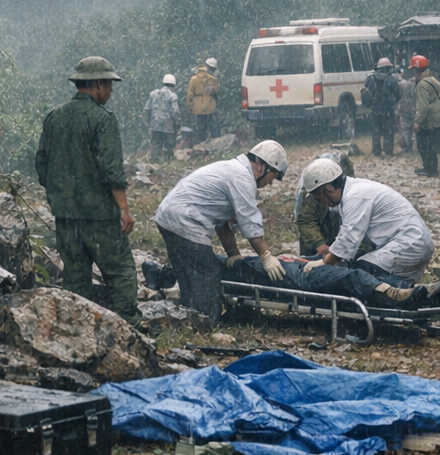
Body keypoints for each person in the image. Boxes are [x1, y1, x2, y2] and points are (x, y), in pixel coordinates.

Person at [35, 56, 139, 321]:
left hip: (66, 217)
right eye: (110, 86)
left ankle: (77, 328)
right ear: (99, 85)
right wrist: (124, 209)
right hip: (101, 217)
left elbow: (41, 163)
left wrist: (60, 196)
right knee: (120, 272)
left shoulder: (54, 116)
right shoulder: (103, 119)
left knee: (75, 277)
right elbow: (112, 170)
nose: (110, 92)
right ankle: (131, 326)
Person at [153, 140, 289, 319]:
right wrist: (266, 256)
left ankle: (189, 315)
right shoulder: (242, 177)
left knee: (186, 272)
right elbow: (250, 224)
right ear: (262, 165)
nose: (271, 183)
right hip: (185, 219)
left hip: (167, 217)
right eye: (274, 176)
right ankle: (207, 319)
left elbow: (222, 224)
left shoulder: (231, 169)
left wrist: (233, 253)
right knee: (207, 272)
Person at [295, 159, 440, 308]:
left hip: (409, 243)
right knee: (362, 267)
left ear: (328, 188)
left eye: (318, 197)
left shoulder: (355, 196)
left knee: (362, 271)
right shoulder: (353, 189)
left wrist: (323, 263)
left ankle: (417, 295)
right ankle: (416, 292)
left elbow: (348, 239)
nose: (320, 202)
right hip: (410, 240)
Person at [295, 148, 356, 255]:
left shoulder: (351, 190)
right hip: (319, 221)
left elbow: (357, 225)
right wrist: (319, 245)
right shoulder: (309, 188)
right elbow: (305, 220)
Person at [411, 56, 440, 177]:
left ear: (418, 70)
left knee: (423, 145)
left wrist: (417, 122)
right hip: (437, 118)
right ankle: (432, 169)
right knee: (432, 145)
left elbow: (423, 106)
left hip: (428, 120)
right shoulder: (433, 80)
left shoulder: (422, 84)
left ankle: (429, 169)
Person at [362, 58, 401, 155]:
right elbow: (398, 95)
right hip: (387, 109)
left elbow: (366, 93)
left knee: (376, 131)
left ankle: (376, 151)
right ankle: (388, 151)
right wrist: (392, 102)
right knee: (388, 131)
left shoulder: (370, 79)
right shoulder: (390, 79)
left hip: (374, 109)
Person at [143, 74, 181, 161]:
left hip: (155, 124)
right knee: (169, 144)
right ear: (173, 85)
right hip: (168, 125)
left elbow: (147, 109)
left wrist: (149, 121)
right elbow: (175, 111)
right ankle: (169, 161)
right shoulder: (172, 95)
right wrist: (178, 123)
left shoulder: (153, 94)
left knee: (156, 143)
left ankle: (154, 162)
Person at [187, 60, 221, 143]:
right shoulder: (213, 79)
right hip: (211, 107)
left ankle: (200, 147)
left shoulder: (194, 78)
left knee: (201, 130)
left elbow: (190, 94)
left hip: (198, 108)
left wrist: (189, 107)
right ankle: (215, 146)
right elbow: (217, 91)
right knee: (214, 129)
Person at [396, 69, 416, 153]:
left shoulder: (400, 84)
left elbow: (399, 97)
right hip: (412, 107)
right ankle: (410, 145)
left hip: (403, 107)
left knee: (405, 129)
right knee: (411, 129)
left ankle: (407, 147)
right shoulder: (413, 84)